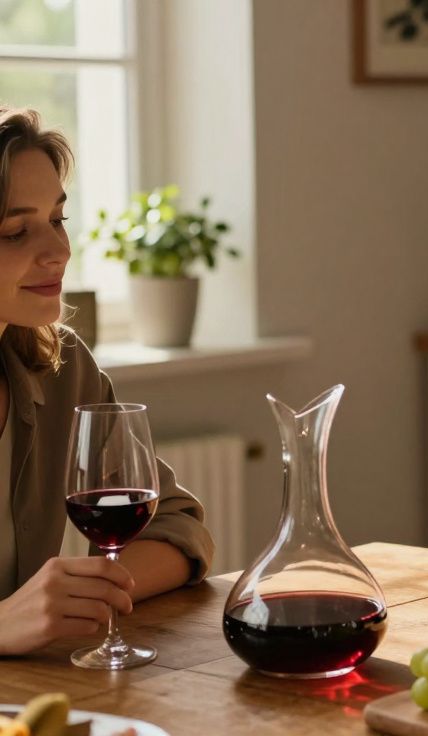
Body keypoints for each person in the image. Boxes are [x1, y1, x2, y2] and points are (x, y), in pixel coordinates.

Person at [0, 108, 214, 655]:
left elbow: (179, 528)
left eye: (58, 219)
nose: (60, 251)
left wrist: (83, 595)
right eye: (17, 231)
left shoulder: (63, 368)